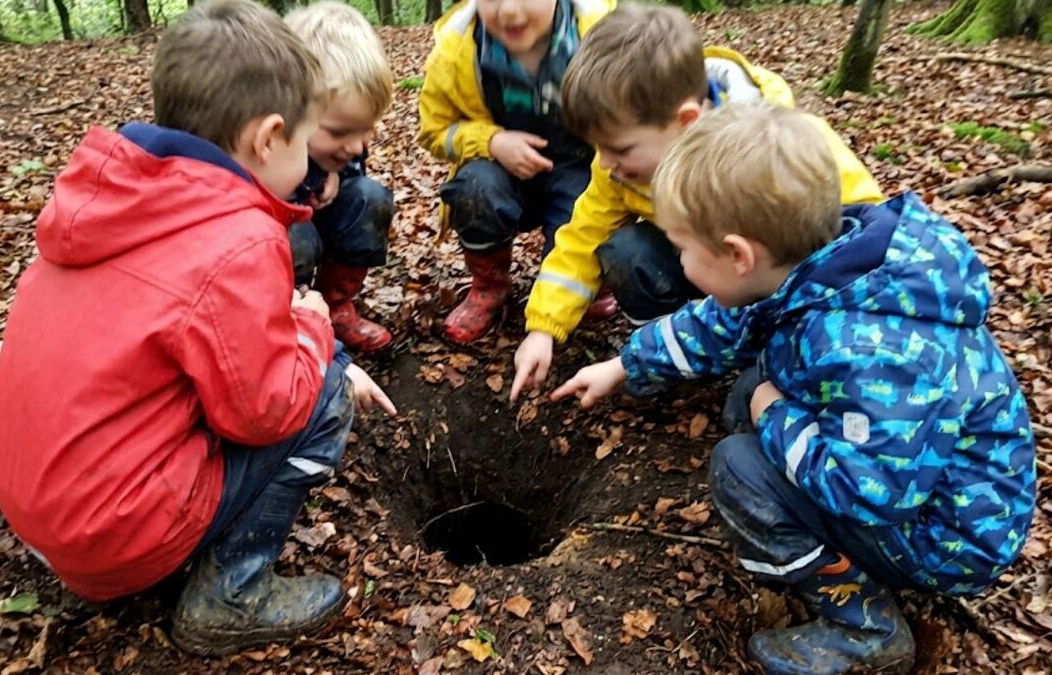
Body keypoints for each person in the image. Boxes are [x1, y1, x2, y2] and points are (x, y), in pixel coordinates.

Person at [552, 103, 1036, 675]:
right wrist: (625, 365)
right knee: (753, 392)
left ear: (737, 254)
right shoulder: (821, 270)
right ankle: (790, 500)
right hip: (913, 477)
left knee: (739, 464)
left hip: (947, 534)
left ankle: (863, 626)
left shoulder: (870, 352)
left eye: (681, 247)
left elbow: (870, 492)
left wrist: (776, 416)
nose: (677, 260)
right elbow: (723, 323)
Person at [0, 0, 394, 657]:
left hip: (38, 513)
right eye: (306, 138)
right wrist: (317, 331)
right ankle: (233, 593)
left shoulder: (111, 199)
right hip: (113, 535)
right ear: (268, 138)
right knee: (321, 392)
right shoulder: (236, 238)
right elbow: (265, 410)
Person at [510, 3, 883, 401]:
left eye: (618, 148)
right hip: (707, 277)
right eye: (597, 147)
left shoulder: (784, 148)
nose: (603, 162)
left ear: (685, 121)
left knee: (752, 397)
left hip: (798, 295)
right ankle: (671, 356)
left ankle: (760, 354)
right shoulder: (621, 168)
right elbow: (580, 239)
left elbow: (864, 232)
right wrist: (543, 327)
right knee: (627, 252)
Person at [417, 0, 617, 344]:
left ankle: (583, 283)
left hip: (577, 168)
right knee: (474, 187)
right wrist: (491, 141)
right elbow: (434, 131)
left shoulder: (602, 32)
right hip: (500, 173)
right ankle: (489, 286)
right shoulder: (458, 47)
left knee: (585, 210)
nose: (509, 11)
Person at [286, 1, 398, 353]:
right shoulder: (271, 152)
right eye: (339, 132)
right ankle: (293, 315)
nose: (355, 145)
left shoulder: (345, 147)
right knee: (296, 237)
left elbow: (353, 158)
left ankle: (336, 305)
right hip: (280, 246)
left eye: (365, 130)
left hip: (326, 218)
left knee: (370, 199)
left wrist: (337, 172)